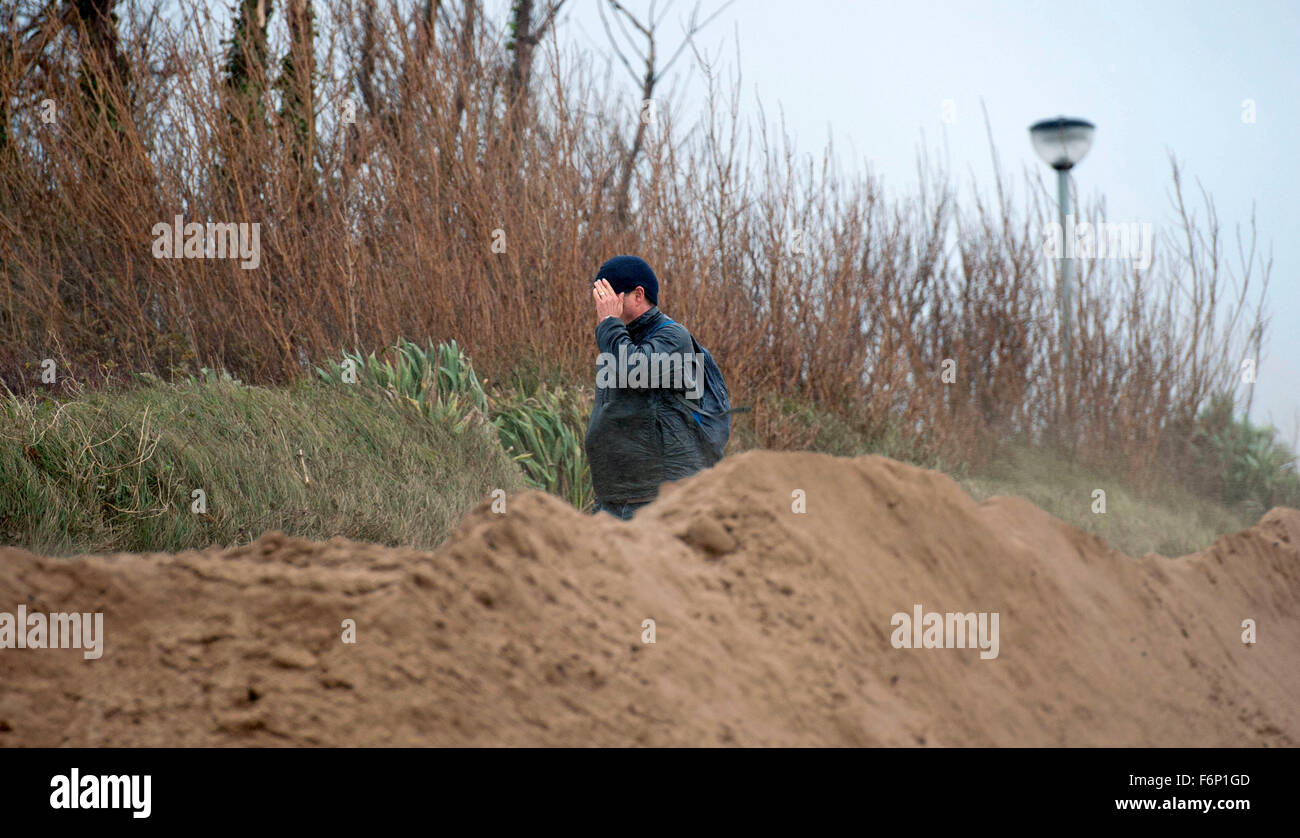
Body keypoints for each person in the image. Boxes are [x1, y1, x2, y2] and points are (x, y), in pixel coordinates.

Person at [584, 255, 708, 520]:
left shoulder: (673, 337)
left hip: (652, 501)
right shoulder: (618, 340)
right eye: (600, 299)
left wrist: (609, 325)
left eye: (612, 297)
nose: (604, 307)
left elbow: (635, 371)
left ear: (638, 295)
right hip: (612, 498)